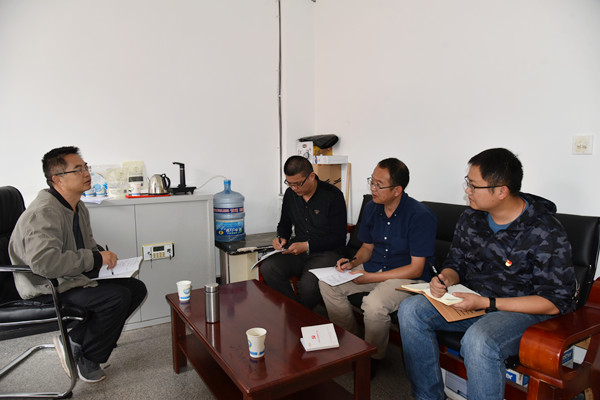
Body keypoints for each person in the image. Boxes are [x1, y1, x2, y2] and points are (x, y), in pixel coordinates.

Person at [397, 148, 575, 400]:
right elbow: (456, 263)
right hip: (474, 302)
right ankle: (428, 397)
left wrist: (488, 303)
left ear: (501, 191)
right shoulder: (472, 217)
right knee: (411, 310)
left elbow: (554, 302)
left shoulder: (544, 230)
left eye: (473, 185)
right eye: (467, 183)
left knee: (479, 340)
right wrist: (445, 278)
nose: (467, 190)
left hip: (524, 313)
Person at [9, 146, 147, 383]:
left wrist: (102, 257)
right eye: (78, 169)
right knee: (116, 297)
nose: (86, 173)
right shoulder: (43, 212)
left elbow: (87, 245)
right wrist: (95, 259)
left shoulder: (77, 206)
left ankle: (74, 340)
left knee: (136, 288)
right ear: (58, 179)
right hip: (46, 287)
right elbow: (44, 264)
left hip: (70, 278)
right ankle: (89, 357)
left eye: (86, 167)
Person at [318, 158, 437, 375]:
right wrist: (353, 262)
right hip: (375, 268)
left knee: (374, 305)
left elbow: (416, 269)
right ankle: (352, 344)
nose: (372, 188)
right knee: (328, 284)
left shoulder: (420, 216)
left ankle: (372, 357)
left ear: (397, 190)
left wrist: (369, 278)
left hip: (406, 277)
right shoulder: (372, 208)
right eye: (371, 182)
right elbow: (367, 247)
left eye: (379, 185)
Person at [260, 155, 347, 309]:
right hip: (298, 250)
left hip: (327, 253)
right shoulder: (290, 194)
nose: (294, 188)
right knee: (268, 267)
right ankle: (294, 310)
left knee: (308, 287)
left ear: (311, 176)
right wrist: (281, 237)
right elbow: (285, 223)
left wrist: (307, 246)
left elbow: (338, 237)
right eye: (290, 183)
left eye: (298, 183)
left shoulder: (333, 196)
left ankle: (297, 314)